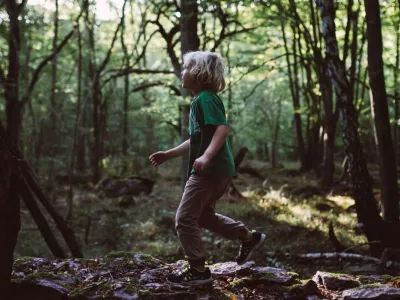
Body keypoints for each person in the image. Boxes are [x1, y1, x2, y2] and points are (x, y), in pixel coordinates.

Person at [149, 51, 266, 285]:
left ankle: (198, 270)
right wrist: (168, 154)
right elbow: (196, 139)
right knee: (202, 216)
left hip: (210, 171)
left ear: (200, 73)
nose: (182, 72)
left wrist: (206, 157)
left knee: (184, 219)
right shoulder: (198, 102)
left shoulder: (206, 99)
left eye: (186, 68)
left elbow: (222, 129)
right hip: (218, 171)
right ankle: (247, 237)